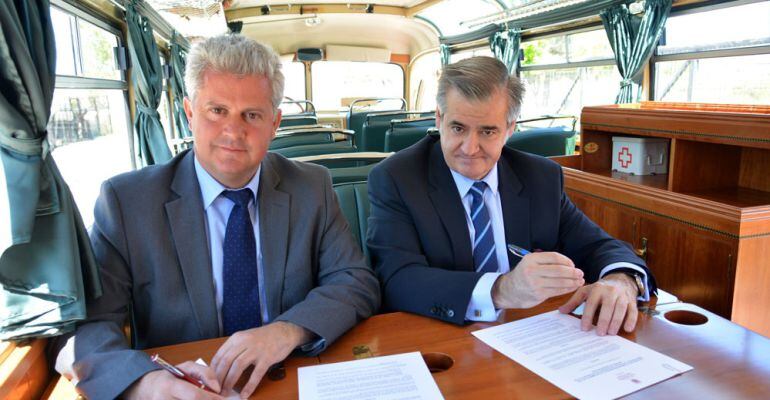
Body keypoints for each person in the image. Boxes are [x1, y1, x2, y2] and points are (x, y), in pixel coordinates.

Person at [51, 34, 380, 400]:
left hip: (290, 378)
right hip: (182, 387)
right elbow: (86, 327)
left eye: (251, 115)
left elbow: (354, 281)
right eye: (217, 110)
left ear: (275, 123)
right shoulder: (126, 203)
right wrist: (144, 383)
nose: (233, 132)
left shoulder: (311, 186)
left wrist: (288, 330)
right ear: (190, 113)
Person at [367, 56, 655, 336]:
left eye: (488, 131)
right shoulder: (397, 177)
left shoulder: (540, 176)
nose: (470, 148)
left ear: (509, 129)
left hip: (530, 333)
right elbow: (397, 279)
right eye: (458, 128)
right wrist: (500, 289)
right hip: (441, 335)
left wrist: (622, 280)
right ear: (440, 119)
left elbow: (597, 245)